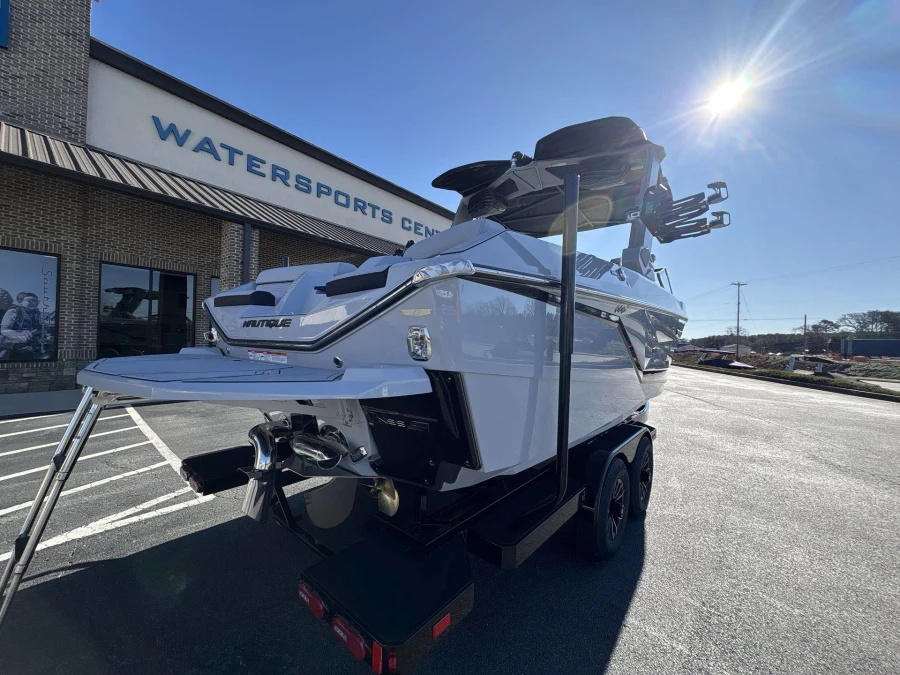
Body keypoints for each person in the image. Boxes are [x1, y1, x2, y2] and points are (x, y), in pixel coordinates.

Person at [0, 292, 45, 360]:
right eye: (30, 300)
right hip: (12, 342)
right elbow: (4, 330)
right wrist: (18, 334)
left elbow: (38, 327)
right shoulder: (14, 311)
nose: (34, 303)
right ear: (20, 302)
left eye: (36, 301)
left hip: (30, 343)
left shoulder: (37, 313)